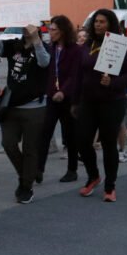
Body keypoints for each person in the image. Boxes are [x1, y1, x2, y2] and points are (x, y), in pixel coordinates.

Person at [75, 9, 127, 202]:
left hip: (112, 102)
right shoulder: (86, 46)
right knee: (83, 141)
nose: (97, 25)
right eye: (96, 22)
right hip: (88, 101)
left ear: (110, 24)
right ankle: (93, 176)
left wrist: (113, 83)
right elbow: (79, 75)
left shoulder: (118, 46)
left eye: (102, 22)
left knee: (109, 144)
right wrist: (75, 101)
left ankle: (110, 186)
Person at [0, 23, 49, 204]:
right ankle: (27, 174)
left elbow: (44, 62)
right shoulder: (13, 45)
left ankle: (26, 186)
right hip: (11, 106)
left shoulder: (42, 47)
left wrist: (36, 40)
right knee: (8, 144)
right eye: (24, 25)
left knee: (30, 149)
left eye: (30, 25)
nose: (26, 28)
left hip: (34, 107)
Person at [40, 15, 82, 183]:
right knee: (44, 133)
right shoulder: (50, 48)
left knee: (69, 135)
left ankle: (72, 170)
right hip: (51, 97)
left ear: (63, 31)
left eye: (53, 30)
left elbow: (75, 74)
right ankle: (38, 169)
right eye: (49, 30)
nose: (50, 33)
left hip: (69, 98)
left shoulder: (75, 50)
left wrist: (63, 92)